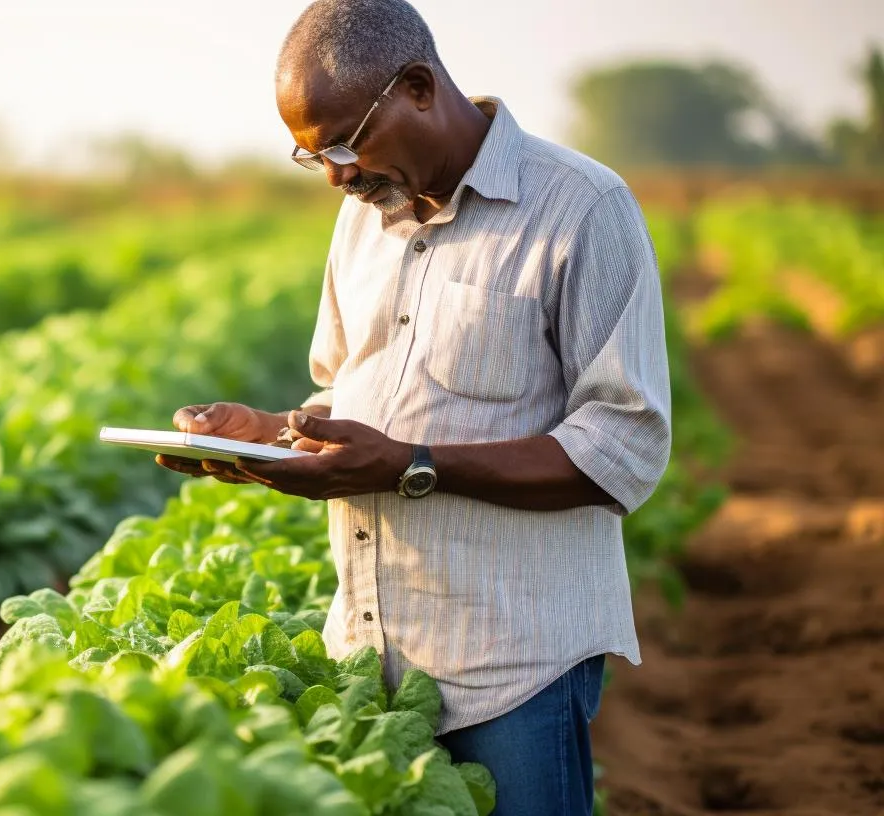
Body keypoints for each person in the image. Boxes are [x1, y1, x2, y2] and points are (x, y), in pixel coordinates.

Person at [156, 1, 672, 814]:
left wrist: (414, 468)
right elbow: (354, 391)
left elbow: (623, 447)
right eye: (310, 153)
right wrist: (263, 437)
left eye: (342, 141)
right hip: (369, 666)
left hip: (514, 670)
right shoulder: (362, 222)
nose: (333, 172)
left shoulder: (581, 210)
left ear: (420, 88)